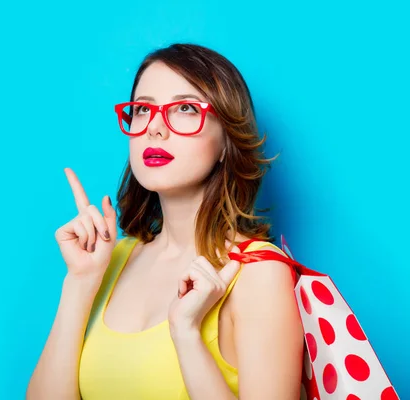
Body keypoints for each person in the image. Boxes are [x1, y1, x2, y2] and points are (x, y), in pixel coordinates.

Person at [26, 43, 304, 399]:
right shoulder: (108, 260)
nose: (154, 128)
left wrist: (187, 334)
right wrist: (79, 283)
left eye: (185, 108)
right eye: (142, 109)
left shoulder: (257, 272)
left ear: (226, 142)